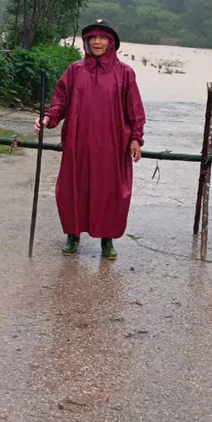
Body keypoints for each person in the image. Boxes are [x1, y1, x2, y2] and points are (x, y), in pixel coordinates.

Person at [34, 19, 146, 260]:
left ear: (111, 43)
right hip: (78, 143)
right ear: (86, 42)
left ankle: (108, 240)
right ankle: (73, 236)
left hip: (112, 145)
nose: (97, 42)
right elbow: (59, 103)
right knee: (74, 188)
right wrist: (47, 118)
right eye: (92, 38)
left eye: (102, 38)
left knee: (110, 192)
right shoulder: (74, 71)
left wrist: (136, 138)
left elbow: (134, 108)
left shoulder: (125, 73)